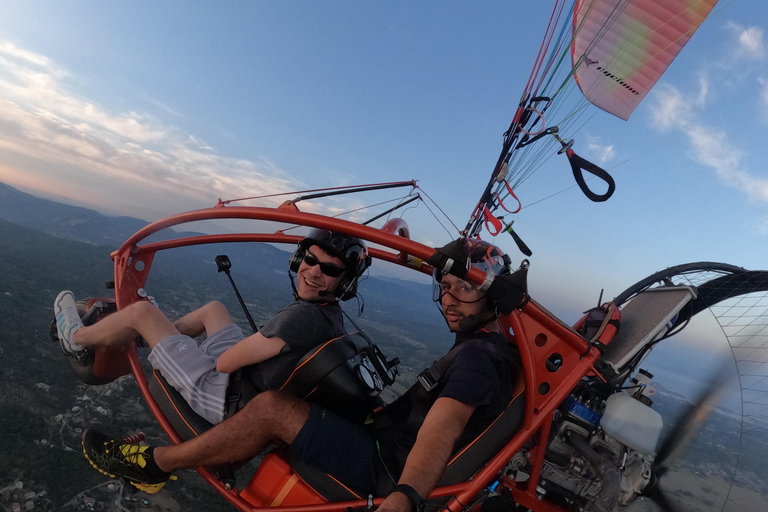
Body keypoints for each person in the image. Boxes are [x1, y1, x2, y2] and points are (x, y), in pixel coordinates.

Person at [80, 238, 524, 511]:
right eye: (445, 289)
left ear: (493, 296)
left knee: (273, 408)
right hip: (380, 442)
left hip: (384, 467)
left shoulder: (480, 358)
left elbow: (443, 427)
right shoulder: (482, 348)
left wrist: (404, 497)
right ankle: (141, 343)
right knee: (273, 384)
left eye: (464, 289)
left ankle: (151, 464)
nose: (450, 301)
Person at [54, 229, 371, 427]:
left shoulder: (303, 318)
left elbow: (225, 362)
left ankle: (76, 337)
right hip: (241, 385)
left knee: (143, 312)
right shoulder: (330, 316)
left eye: (329, 269)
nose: (314, 272)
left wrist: (187, 346)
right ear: (299, 258)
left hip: (222, 397)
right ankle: (145, 338)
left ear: (344, 282)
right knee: (214, 310)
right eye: (311, 260)